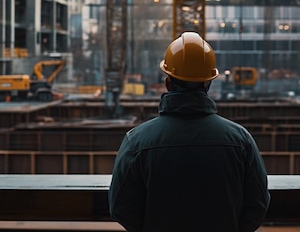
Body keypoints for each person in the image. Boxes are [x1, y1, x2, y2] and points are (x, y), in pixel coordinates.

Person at [109, 31, 270, 232]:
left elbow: (120, 207)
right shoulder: (240, 141)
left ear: (168, 83)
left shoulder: (137, 143)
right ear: (208, 84)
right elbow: (258, 204)